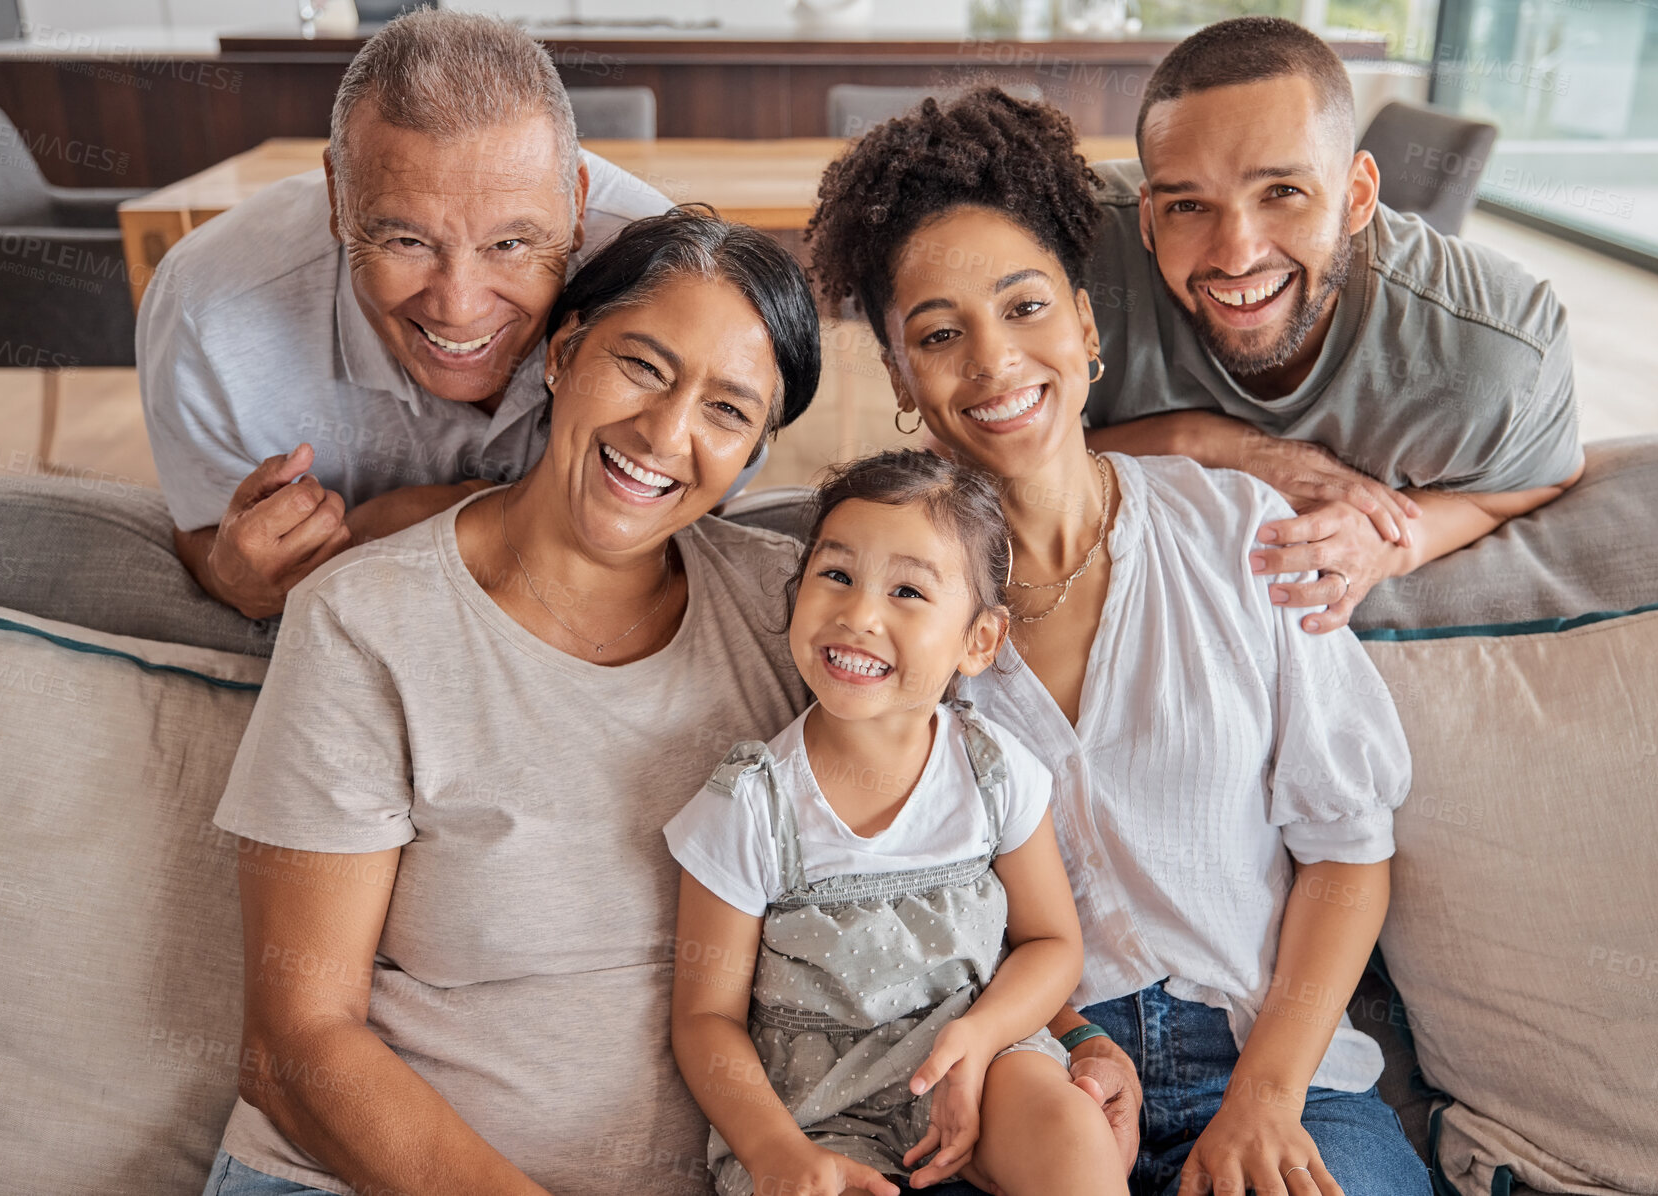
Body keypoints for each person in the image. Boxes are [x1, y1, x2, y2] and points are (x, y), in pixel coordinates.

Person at [808, 89, 1429, 1195]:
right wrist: (1055, 1041)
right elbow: (883, 889)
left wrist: (1260, 1102)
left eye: (1024, 306)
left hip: (1271, 1064)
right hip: (1022, 1085)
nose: (993, 362)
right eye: (939, 334)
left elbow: (1345, 848)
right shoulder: (867, 606)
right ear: (902, 378)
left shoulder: (1239, 533)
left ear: (1086, 328)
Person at [201, 208, 819, 1195]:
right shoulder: (367, 620)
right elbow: (294, 1043)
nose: (665, 433)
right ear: (564, 353)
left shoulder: (791, 610)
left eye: (728, 410)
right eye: (643, 366)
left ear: (754, 450)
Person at [668, 450, 1124, 1196]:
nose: (859, 614)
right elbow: (703, 1019)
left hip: (978, 1064)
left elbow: (1052, 944)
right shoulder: (751, 801)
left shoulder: (992, 769)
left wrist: (978, 1040)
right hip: (815, 1114)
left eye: (908, 591)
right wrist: (776, 1151)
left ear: (979, 641)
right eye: (836, 575)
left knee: (1072, 1135)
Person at [138, 9, 673, 619]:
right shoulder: (205, 310)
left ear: (576, 201)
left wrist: (427, 523)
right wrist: (235, 579)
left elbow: (709, 496)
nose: (458, 307)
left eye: (510, 244)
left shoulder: (668, 283)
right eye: (407, 243)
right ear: (338, 196)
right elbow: (202, 527)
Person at [1078, 17, 1584, 633]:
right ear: (1149, 219)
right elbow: (965, 458)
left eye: (1283, 191)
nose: (1235, 256)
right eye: (1188, 206)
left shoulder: (1496, 351)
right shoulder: (1065, 264)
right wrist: (1199, 444)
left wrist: (1396, 544)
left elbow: (1537, 483)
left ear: (1358, 195)